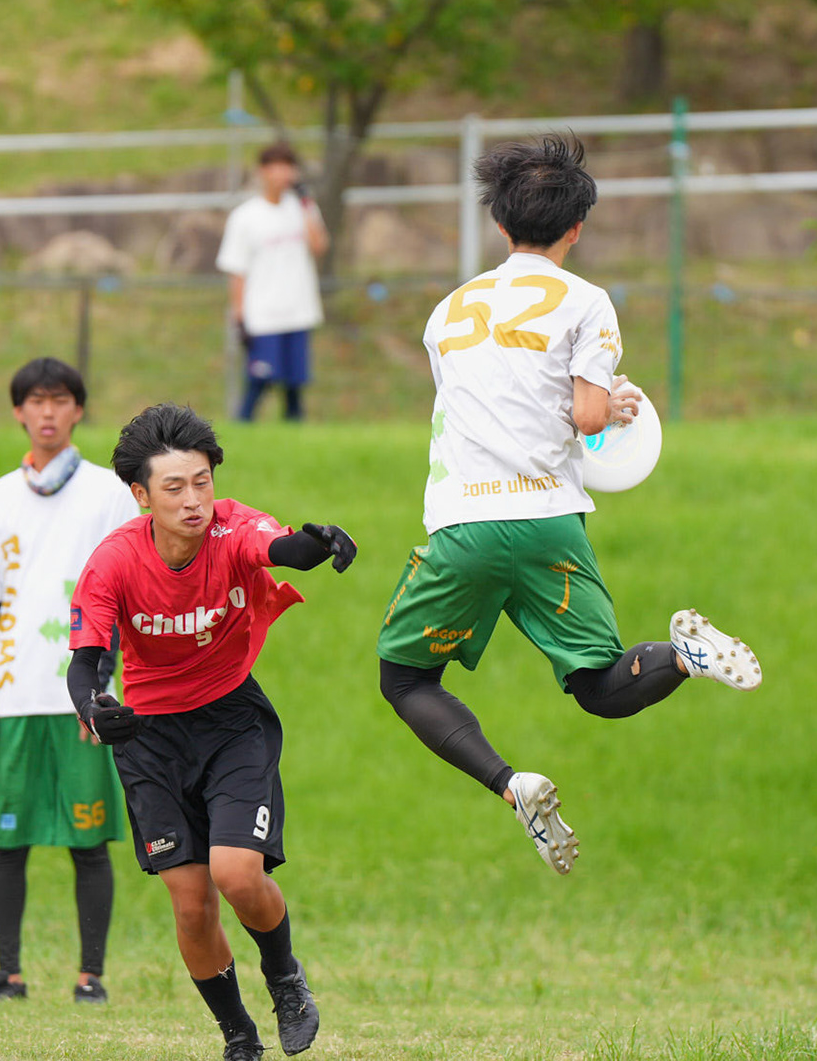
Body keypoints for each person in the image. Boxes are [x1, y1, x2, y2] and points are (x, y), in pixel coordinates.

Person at [373, 134, 762, 876]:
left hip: (464, 524)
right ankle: (683, 656)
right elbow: (586, 416)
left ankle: (510, 783)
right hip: (550, 521)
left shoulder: (446, 311)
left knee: (407, 680)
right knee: (600, 686)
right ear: (576, 228)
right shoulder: (587, 301)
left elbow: (477, 402)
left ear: (498, 223)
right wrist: (612, 405)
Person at [66, 404, 357, 1061]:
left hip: (232, 722)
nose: (194, 500)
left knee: (237, 874)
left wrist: (319, 544)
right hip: (149, 739)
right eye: (174, 487)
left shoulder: (230, 527)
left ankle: (284, 978)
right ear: (141, 495)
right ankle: (239, 1037)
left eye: (202, 482)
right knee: (191, 903)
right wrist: (94, 710)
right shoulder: (114, 561)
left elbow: (280, 548)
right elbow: (85, 664)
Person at [0, 357, 136, 1005]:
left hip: (81, 698)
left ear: (78, 410)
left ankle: (92, 976)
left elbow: (125, 591)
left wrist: (102, 689)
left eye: (59, 400)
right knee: (8, 842)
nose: (47, 412)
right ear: (18, 412)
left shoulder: (110, 493)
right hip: (12, 696)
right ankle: (7, 974)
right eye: (35, 401)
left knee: (89, 842)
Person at [216, 143, 327, 422]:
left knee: (294, 385)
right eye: (276, 167)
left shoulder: (303, 208)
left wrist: (306, 204)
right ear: (263, 171)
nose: (283, 174)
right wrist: (239, 317)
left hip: (298, 311)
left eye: (288, 167)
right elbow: (236, 269)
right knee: (259, 380)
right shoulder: (245, 216)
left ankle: (295, 435)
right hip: (263, 314)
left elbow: (319, 246)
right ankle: (241, 428)